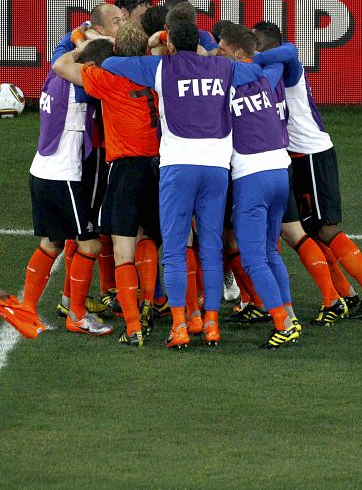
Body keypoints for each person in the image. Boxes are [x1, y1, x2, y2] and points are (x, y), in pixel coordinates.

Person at [100, 20, 269, 349]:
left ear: (172, 44)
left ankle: (179, 325)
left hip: (178, 169)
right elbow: (256, 70)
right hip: (216, 168)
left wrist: (159, 39)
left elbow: (110, 63)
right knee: (210, 249)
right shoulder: (222, 66)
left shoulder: (161, 66)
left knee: (176, 251)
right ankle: (212, 325)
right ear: (200, 43)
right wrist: (209, 54)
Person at [252, 23, 362, 320]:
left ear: (269, 46)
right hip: (298, 157)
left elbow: (291, 49)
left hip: (312, 154)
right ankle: (345, 295)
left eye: (257, 44)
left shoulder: (286, 63)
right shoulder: (272, 67)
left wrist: (253, 58)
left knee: (326, 229)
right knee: (312, 231)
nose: (254, 49)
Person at [52, 21, 161, 347]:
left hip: (126, 171)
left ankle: (133, 328)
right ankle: (148, 303)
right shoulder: (157, 72)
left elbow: (60, 65)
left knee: (122, 251)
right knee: (147, 240)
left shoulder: (107, 77)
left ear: (115, 51)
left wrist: (82, 40)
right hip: (158, 167)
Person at [16, 39, 117, 338]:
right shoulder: (82, 89)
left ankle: (28, 309)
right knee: (90, 245)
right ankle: (77, 315)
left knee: (51, 243)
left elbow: (61, 51)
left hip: (39, 171)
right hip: (64, 177)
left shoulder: (54, 74)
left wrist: (80, 39)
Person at [216, 23, 299, 349]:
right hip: (281, 171)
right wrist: (256, 59)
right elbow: (290, 52)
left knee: (252, 258)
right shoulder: (266, 77)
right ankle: (289, 315)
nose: (216, 54)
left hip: (252, 176)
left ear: (236, 53)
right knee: (268, 251)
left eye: (221, 49)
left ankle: (283, 322)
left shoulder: (222, 82)